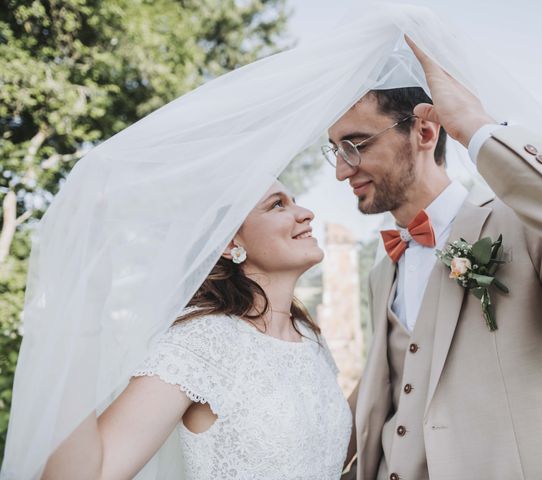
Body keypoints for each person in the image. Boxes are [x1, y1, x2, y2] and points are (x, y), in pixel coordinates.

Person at [327, 37, 542, 480]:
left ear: (424, 131)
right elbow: (397, 386)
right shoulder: (382, 272)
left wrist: (479, 129)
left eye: (355, 144)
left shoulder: (525, 225)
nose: (342, 169)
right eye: (336, 150)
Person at [41, 181, 352, 480]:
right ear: (232, 243)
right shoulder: (201, 342)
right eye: (276, 205)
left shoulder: (311, 338)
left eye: (294, 200)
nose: (305, 213)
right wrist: (86, 305)